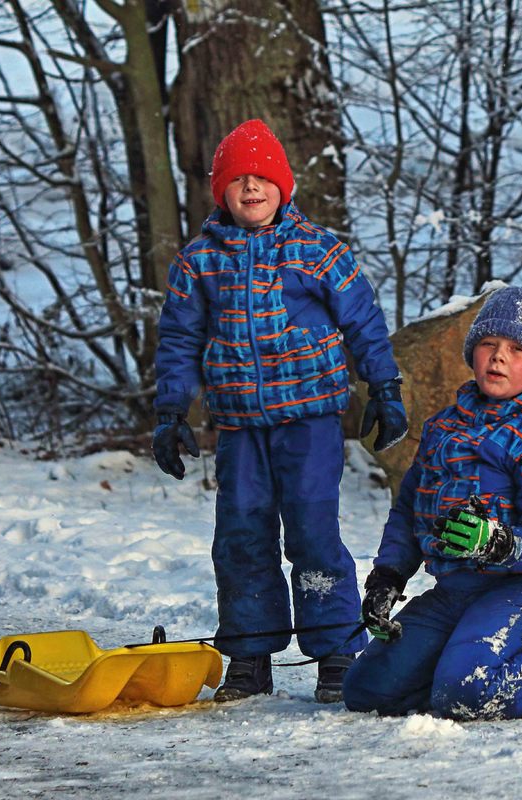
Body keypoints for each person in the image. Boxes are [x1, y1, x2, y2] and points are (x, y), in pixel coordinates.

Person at [151, 119, 408, 704]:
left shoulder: (317, 250)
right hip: (240, 426)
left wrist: (385, 387)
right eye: (237, 179)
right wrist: (171, 412)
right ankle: (249, 652)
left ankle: (337, 650)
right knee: (241, 536)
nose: (249, 189)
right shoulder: (199, 262)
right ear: (221, 191)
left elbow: (363, 320)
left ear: (282, 186)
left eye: (261, 177)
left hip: (310, 421)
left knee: (314, 533)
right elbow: (179, 339)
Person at [342, 286, 522, 720]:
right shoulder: (442, 428)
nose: (498, 357)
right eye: (489, 344)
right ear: (472, 352)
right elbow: (408, 512)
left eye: (517, 349)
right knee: (366, 690)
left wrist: (502, 543)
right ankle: (453, 664)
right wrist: (388, 576)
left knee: (467, 691)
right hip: (454, 591)